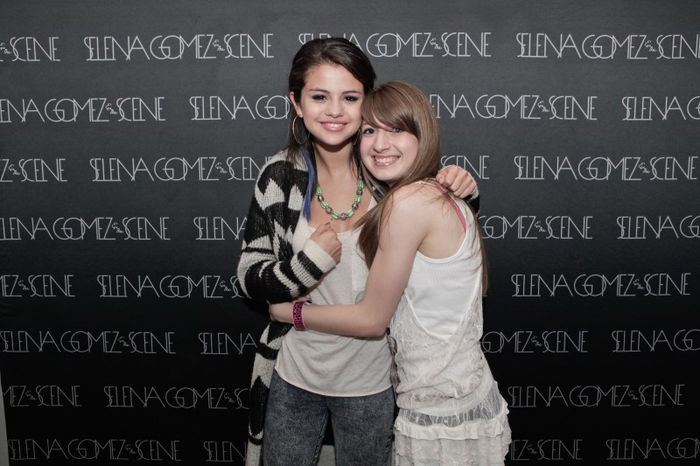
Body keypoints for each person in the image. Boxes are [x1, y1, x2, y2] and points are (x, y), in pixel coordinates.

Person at [236, 38, 479, 466]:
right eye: (318, 96)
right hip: (293, 375)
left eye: (349, 97)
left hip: (372, 380)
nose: (334, 111)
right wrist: (307, 264)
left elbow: (439, 237)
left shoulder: (391, 175)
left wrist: (464, 190)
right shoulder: (279, 175)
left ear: (366, 102)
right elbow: (249, 275)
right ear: (296, 103)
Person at [270, 81, 511, 465]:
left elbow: (371, 320)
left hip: (438, 417)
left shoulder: (408, 201)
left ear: (423, 134)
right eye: (369, 131)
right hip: (468, 403)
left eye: (396, 129)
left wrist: (290, 313)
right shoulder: (438, 194)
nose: (380, 144)